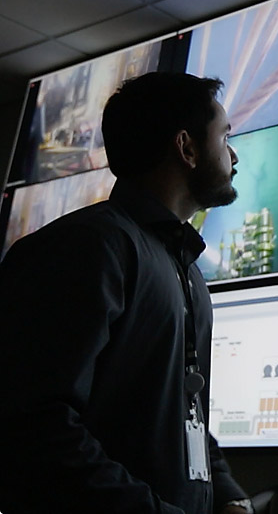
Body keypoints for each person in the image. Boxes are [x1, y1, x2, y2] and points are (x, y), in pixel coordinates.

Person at [0, 72, 254, 514]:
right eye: (224, 136)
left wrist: (228, 494)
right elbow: (36, 425)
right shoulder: (83, 248)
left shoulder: (186, 271)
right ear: (186, 148)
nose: (234, 155)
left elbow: (184, 409)